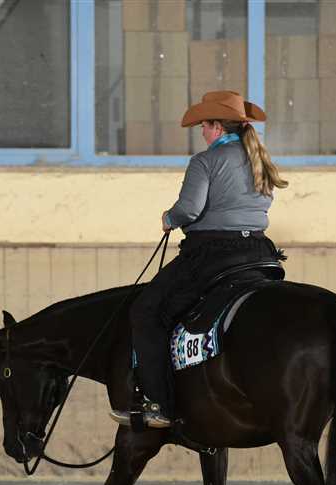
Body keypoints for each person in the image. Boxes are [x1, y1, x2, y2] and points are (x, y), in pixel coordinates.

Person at [110, 90, 289, 429]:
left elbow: (190, 210)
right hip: (258, 251)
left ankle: (158, 404)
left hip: (212, 254)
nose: (202, 133)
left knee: (146, 310)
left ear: (217, 126)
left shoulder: (205, 161)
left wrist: (169, 218)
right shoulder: (259, 159)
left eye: (204, 126)